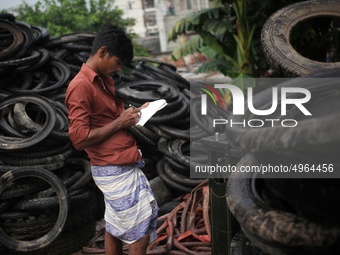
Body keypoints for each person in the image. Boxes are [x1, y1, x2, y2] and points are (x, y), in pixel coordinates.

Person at [65, 24, 158, 255]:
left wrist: (134, 114)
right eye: (117, 62)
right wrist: (120, 123)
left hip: (118, 162)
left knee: (115, 226)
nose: (118, 69)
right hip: (112, 167)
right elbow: (79, 139)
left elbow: (106, 119)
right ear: (102, 52)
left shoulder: (104, 80)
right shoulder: (80, 86)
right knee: (140, 232)